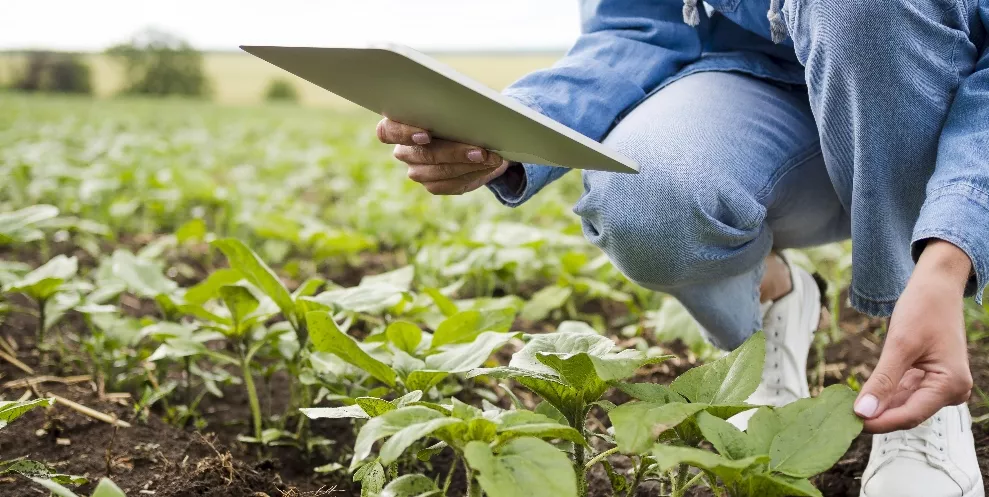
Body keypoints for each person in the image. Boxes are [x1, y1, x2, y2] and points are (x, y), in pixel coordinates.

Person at [376, 0, 988, 495]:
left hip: (932, 99)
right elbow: (638, 23)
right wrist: (512, 125)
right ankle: (775, 299)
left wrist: (946, 256)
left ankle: (923, 383)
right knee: (644, 197)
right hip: (755, 87)